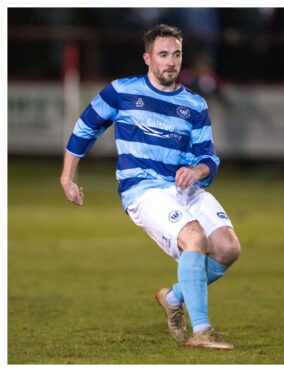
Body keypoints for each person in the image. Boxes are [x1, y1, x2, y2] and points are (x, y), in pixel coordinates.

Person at [59, 24, 241, 350]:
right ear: (147, 58)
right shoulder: (121, 92)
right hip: (143, 189)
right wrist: (67, 177)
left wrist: (197, 170)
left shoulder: (195, 105)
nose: (171, 62)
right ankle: (202, 331)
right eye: (163, 55)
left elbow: (208, 158)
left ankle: (172, 298)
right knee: (194, 237)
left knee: (228, 248)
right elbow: (85, 127)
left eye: (176, 54)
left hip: (185, 188)